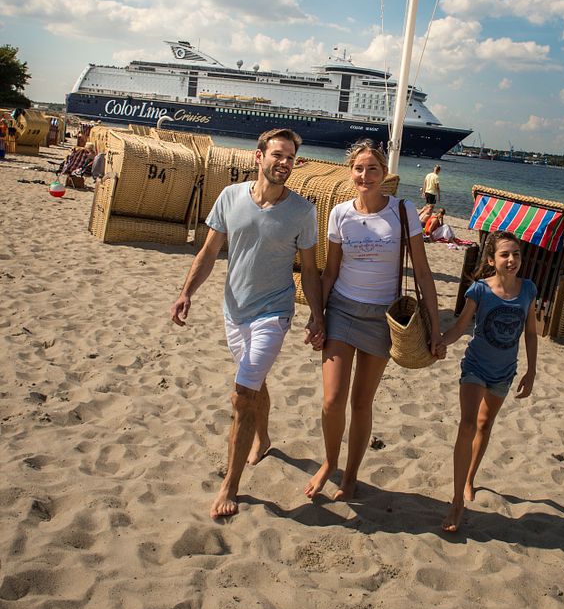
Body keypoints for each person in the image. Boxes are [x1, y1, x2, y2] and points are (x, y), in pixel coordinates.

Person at [170, 127, 324, 520]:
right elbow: (209, 251)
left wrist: (316, 314)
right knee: (255, 383)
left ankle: (230, 486)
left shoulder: (304, 212)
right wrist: (187, 292)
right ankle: (265, 436)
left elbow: (308, 270)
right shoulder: (229, 197)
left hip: (274, 312)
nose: (284, 163)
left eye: (290, 157)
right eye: (278, 155)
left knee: (241, 395)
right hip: (233, 309)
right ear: (259, 157)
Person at [304, 139, 442, 502]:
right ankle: (329, 462)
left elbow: (424, 274)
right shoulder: (339, 214)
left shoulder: (403, 211)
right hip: (343, 311)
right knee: (332, 400)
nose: (365, 175)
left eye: (373, 169)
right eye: (359, 169)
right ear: (351, 173)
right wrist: (316, 317)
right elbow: (329, 272)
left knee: (362, 402)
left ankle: (350, 475)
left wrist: (436, 328)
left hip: (383, 318)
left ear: (385, 175)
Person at [437, 231, 538, 533]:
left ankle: (469, 479)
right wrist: (441, 342)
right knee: (468, 424)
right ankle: (456, 502)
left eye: (516, 254)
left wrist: (531, 371)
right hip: (476, 366)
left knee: (485, 424)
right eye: (505, 254)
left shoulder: (528, 289)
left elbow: (530, 332)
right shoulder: (479, 290)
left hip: (505, 372)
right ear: (492, 260)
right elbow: (459, 327)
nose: (512, 260)